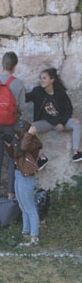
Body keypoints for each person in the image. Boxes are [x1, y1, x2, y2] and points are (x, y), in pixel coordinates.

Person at [25, 67, 82, 167]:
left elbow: (68, 109)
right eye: (41, 78)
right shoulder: (37, 91)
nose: (41, 80)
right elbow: (25, 98)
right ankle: (42, 157)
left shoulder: (60, 93)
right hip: (45, 122)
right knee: (31, 128)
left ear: (52, 80)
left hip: (60, 121)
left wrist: (62, 122)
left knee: (77, 122)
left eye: (44, 78)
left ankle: (76, 153)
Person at [5, 120, 42, 246]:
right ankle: (25, 232)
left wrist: (29, 135)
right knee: (23, 206)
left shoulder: (33, 142)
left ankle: (34, 237)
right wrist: (9, 145)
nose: (16, 136)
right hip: (18, 175)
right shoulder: (23, 140)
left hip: (26, 177)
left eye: (18, 134)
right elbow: (16, 155)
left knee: (30, 208)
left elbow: (24, 148)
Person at [0, 51, 25, 200]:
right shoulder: (18, 83)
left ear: (2, 64)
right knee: (11, 159)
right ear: (14, 66)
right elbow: (21, 108)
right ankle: (10, 195)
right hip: (11, 125)